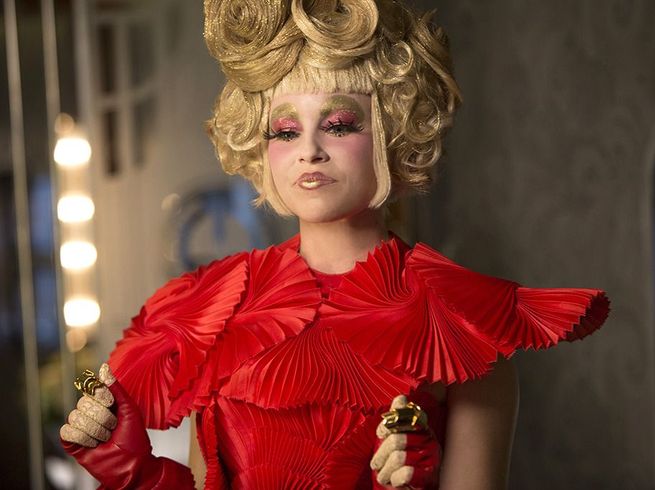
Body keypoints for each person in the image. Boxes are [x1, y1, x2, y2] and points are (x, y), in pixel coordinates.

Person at [60, 0, 610, 488]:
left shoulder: (465, 327)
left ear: (394, 129)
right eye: (285, 130)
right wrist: (137, 472)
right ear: (262, 145)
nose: (310, 151)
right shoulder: (213, 309)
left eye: (340, 123)